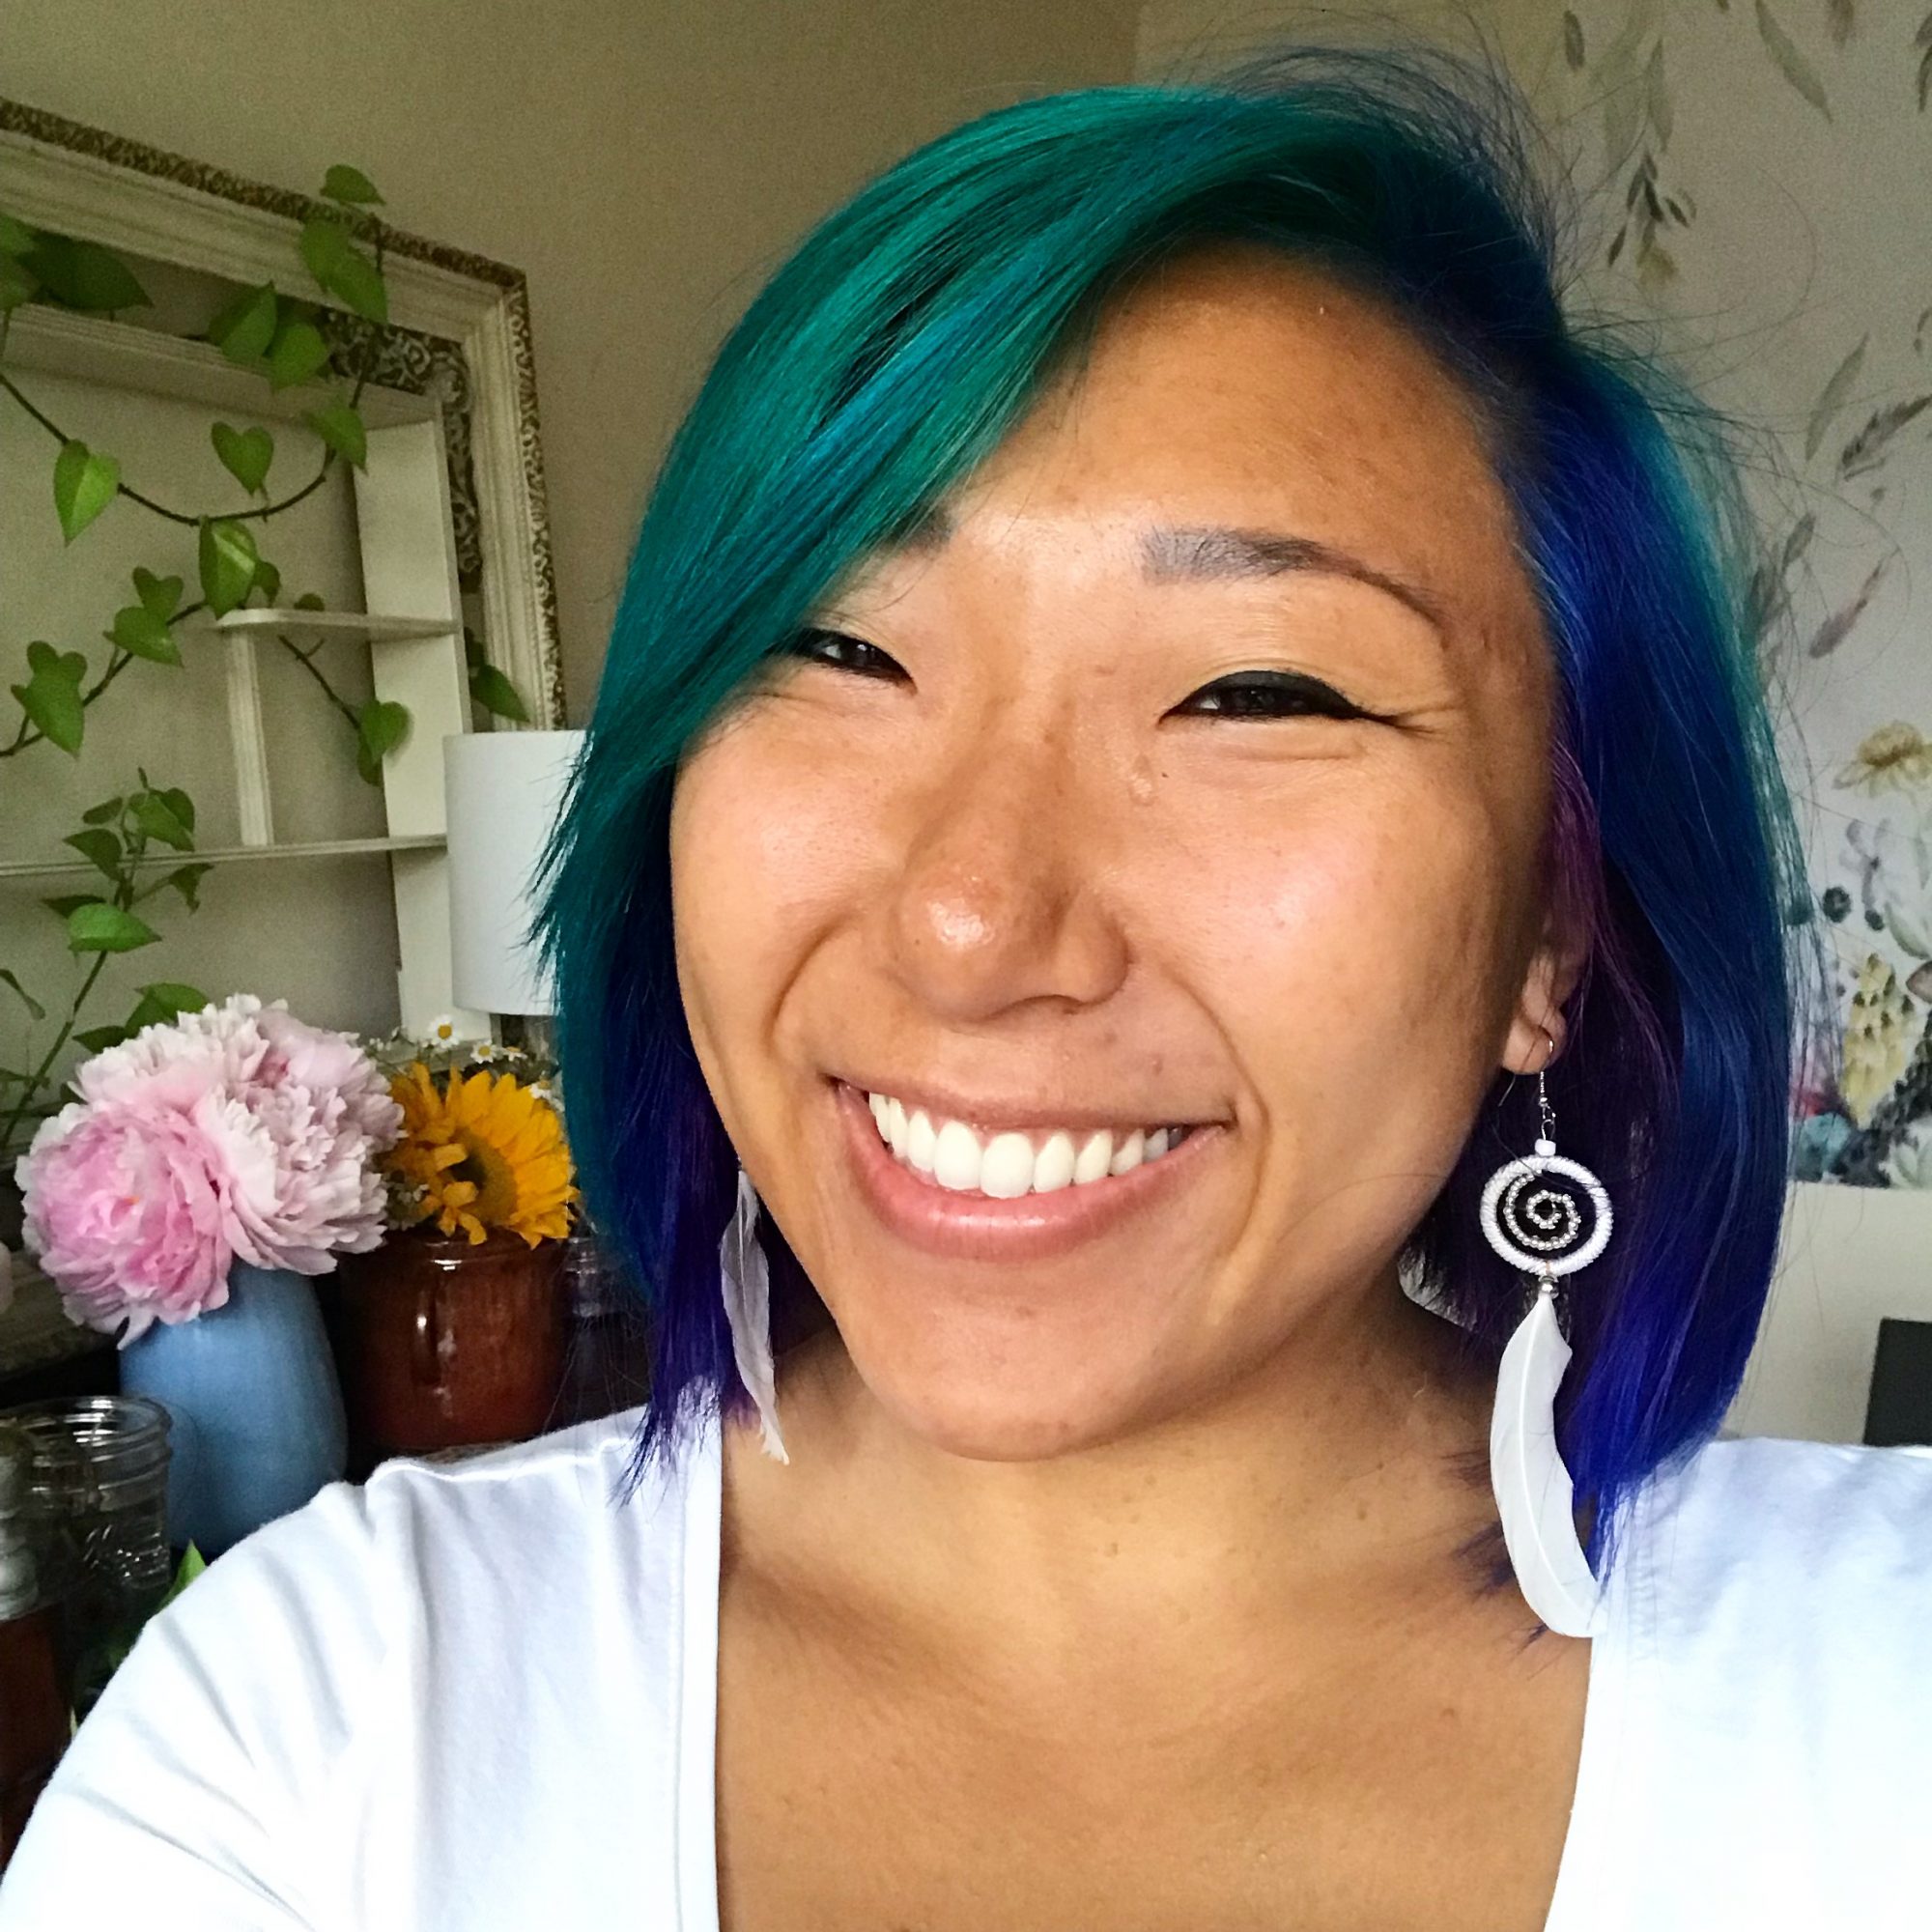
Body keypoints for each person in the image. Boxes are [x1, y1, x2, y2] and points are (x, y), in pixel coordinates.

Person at [5, 39, 1930, 1932]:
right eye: (839, 649)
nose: (971, 922)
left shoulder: (1876, 1690)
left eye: (1254, 690)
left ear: (1550, 931)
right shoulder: (317, 1737)